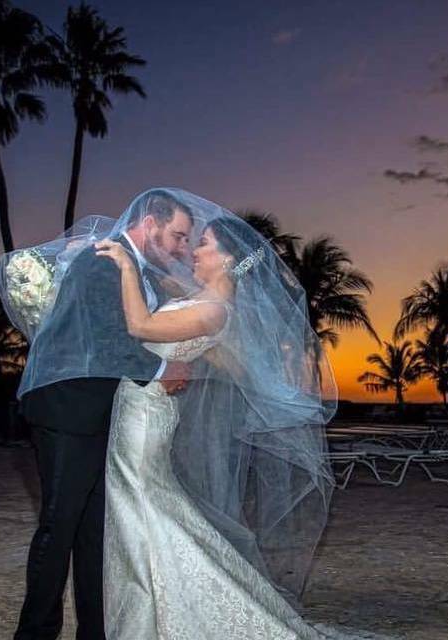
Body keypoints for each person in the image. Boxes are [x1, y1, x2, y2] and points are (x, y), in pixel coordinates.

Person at [95, 207, 389, 639]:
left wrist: (121, 262)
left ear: (230, 259)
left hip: (145, 417)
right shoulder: (202, 297)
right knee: (152, 510)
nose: (193, 250)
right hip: (141, 408)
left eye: (203, 243)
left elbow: (140, 325)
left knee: (141, 509)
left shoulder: (214, 309)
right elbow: (162, 293)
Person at [5, 189, 194, 640]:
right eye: (178, 236)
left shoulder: (126, 266)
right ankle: (35, 633)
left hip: (95, 410)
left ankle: (95, 631)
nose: (181, 248)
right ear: (150, 223)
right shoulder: (101, 261)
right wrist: (166, 368)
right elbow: (111, 340)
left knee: (94, 532)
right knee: (60, 525)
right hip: (67, 406)